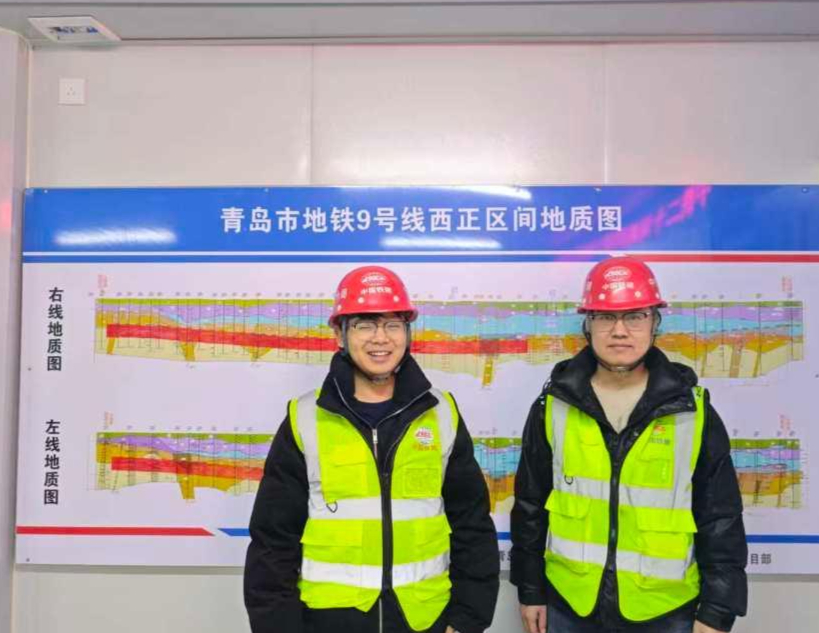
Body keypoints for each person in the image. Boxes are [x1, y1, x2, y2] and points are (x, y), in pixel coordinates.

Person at [245, 265, 499, 633]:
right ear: (339, 334)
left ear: (407, 333)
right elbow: (272, 542)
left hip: (424, 620)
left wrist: (466, 621)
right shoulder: (304, 419)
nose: (381, 338)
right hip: (330, 624)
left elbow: (472, 525)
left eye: (393, 324)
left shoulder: (441, 414)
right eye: (365, 325)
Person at [511, 256, 747, 633]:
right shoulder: (553, 406)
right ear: (588, 325)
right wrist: (530, 589)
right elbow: (530, 506)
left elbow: (720, 517)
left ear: (655, 323)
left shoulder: (692, 410)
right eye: (606, 317)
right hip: (570, 604)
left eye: (635, 316)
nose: (619, 331)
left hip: (665, 610)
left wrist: (718, 610)